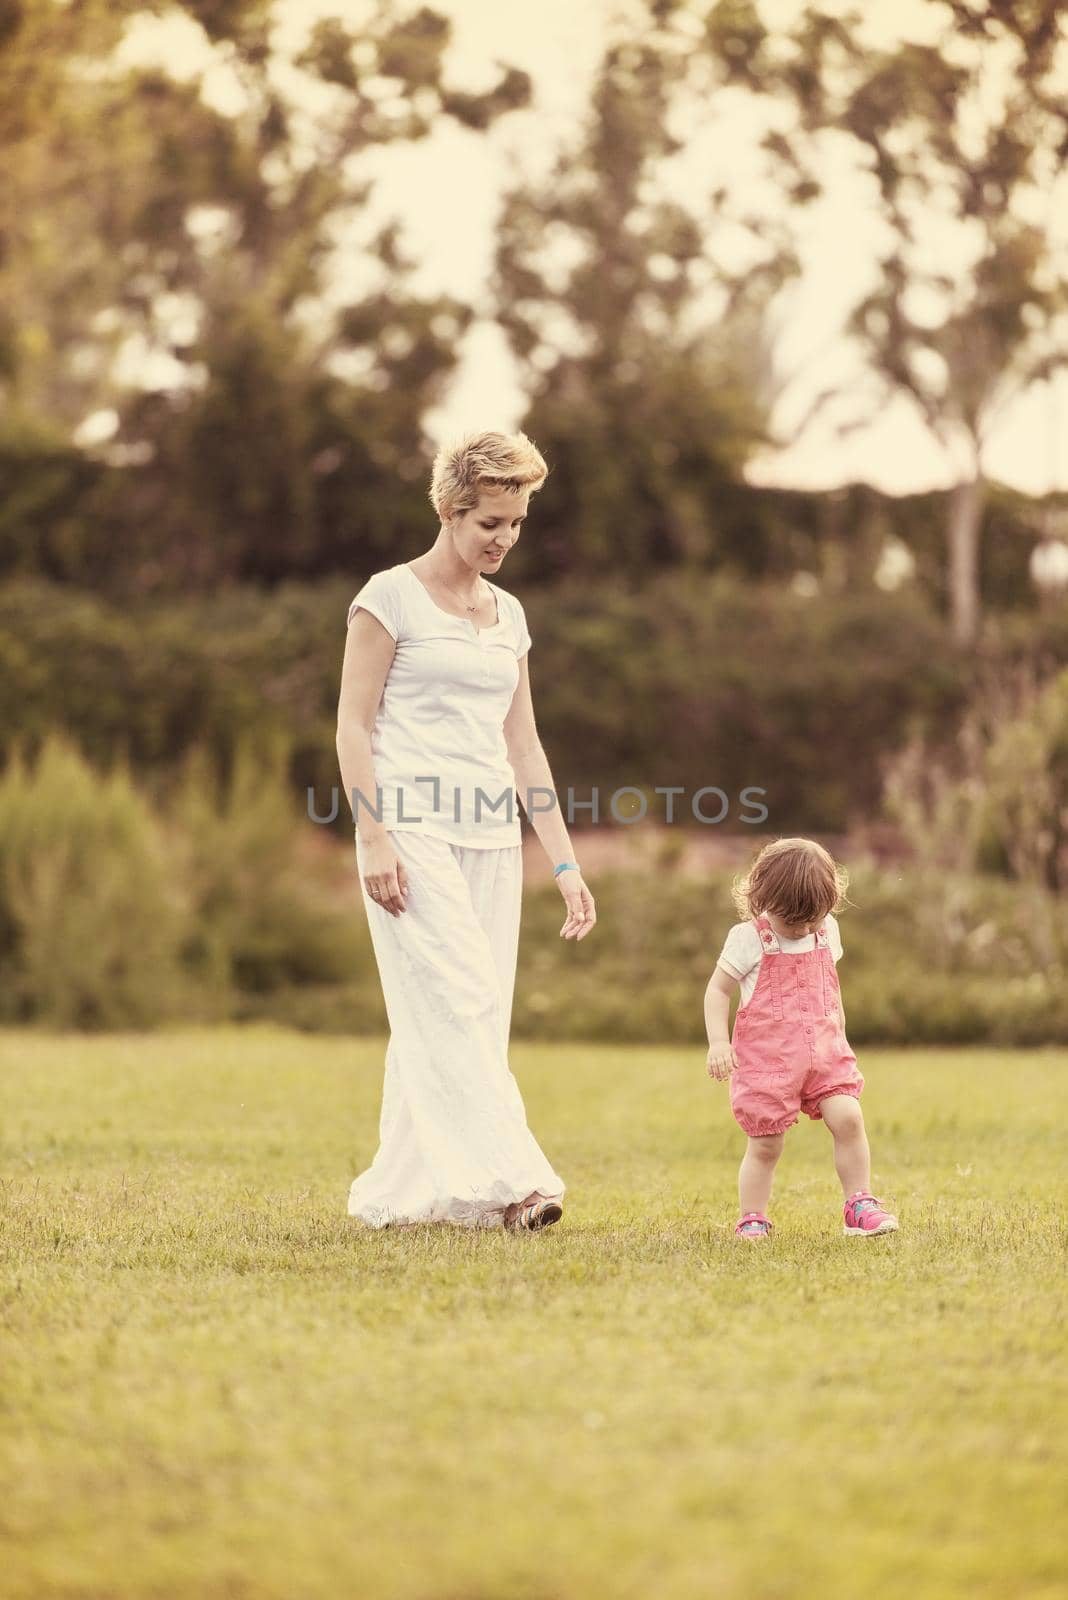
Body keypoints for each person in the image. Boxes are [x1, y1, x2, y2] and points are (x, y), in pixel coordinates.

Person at [336, 429, 596, 1231]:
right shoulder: (389, 598)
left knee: (456, 1011)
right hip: (408, 828)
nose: (505, 539)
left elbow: (524, 747)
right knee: (461, 997)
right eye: (490, 523)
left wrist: (565, 865)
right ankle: (514, 1186)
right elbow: (352, 725)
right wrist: (374, 837)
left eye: (516, 524)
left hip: (489, 838)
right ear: (451, 511)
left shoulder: (510, 615)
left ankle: (410, 1193)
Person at [703, 837, 898, 1240]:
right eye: (794, 922)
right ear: (764, 900)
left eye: (813, 919)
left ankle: (859, 1204)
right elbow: (717, 990)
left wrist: (840, 1033)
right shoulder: (749, 938)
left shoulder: (827, 931)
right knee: (766, 1145)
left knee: (849, 1118)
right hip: (768, 1062)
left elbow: (830, 986)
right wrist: (719, 1043)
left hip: (826, 1054)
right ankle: (752, 1218)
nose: (805, 929)